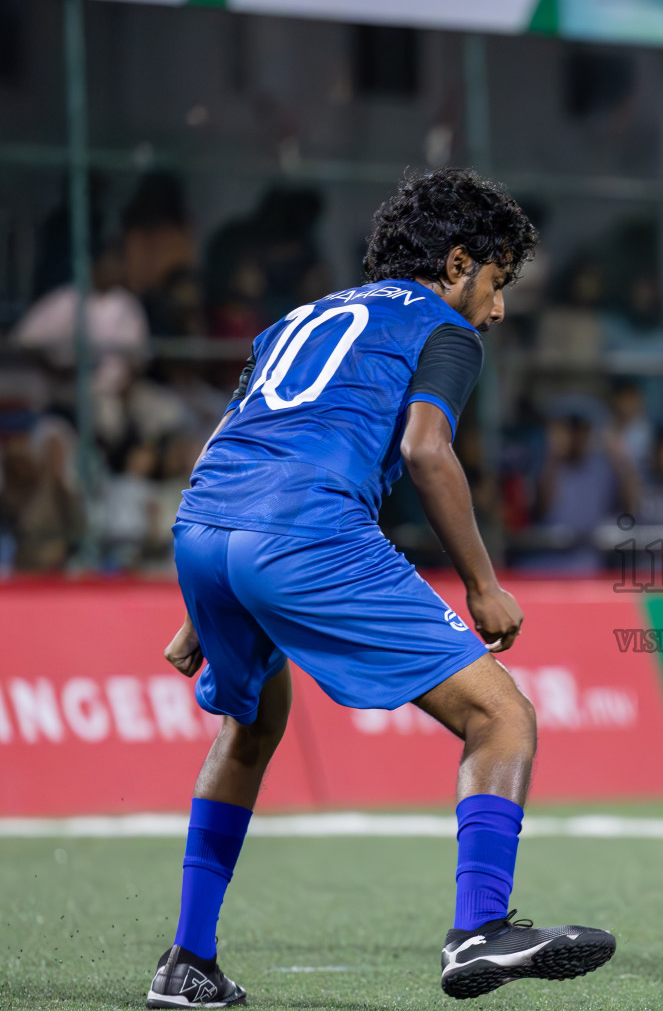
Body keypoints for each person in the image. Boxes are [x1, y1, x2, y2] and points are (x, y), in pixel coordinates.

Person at [148, 168, 615, 1008]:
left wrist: (201, 593)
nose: (498, 309)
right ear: (459, 262)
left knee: (253, 725)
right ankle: (480, 929)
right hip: (305, 529)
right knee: (500, 716)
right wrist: (483, 585)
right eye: (498, 283)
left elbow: (233, 432)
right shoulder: (445, 328)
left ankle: (188, 961)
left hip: (204, 525)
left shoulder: (300, 316)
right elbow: (428, 451)